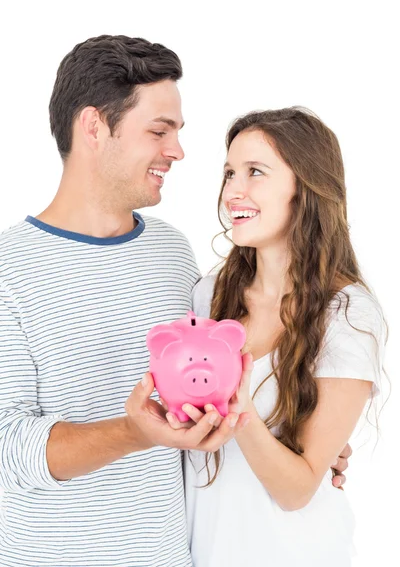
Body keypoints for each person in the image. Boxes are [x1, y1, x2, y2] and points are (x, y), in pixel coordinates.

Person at [0, 35, 349, 566]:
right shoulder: (10, 267)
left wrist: (313, 442)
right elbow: (10, 448)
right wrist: (131, 433)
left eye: (179, 133)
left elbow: (214, 384)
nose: (179, 151)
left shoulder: (171, 252)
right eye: (159, 131)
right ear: (93, 127)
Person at [174, 108, 386, 567]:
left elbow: (297, 490)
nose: (234, 191)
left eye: (256, 172)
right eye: (229, 173)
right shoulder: (208, 295)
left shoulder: (347, 315)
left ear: (304, 188)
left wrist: (241, 410)